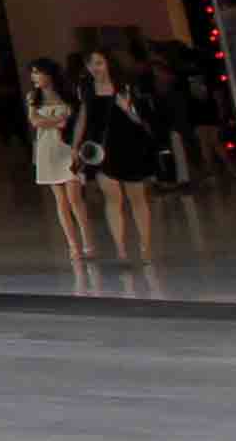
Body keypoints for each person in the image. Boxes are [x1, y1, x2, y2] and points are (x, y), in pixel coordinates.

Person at [75, 48, 170, 275]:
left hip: (130, 145)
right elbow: (83, 118)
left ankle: (145, 247)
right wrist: (76, 146)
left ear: (109, 63)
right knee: (112, 198)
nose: (94, 68)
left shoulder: (125, 86)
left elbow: (143, 119)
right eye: (91, 64)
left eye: (98, 62)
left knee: (137, 197)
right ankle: (121, 250)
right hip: (102, 149)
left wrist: (127, 109)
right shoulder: (86, 89)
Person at [25, 60, 96, 272]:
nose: (34, 78)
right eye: (33, 74)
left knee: (75, 198)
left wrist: (76, 145)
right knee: (61, 200)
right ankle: (73, 246)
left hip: (68, 148)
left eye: (38, 73)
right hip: (47, 149)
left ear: (50, 74)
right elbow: (35, 121)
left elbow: (80, 120)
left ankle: (88, 242)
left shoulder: (70, 95)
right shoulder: (33, 98)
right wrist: (59, 122)